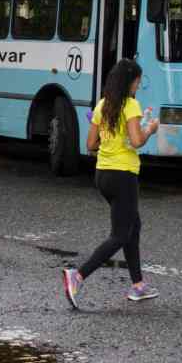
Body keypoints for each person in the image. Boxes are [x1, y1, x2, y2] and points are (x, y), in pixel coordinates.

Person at [63, 58, 159, 308]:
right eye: (137, 82)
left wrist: (112, 140)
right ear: (129, 82)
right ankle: (78, 275)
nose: (138, 86)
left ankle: (138, 285)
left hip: (102, 174)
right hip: (123, 175)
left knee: (133, 226)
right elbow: (137, 141)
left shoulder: (102, 105)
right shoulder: (131, 105)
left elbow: (90, 144)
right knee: (119, 235)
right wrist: (151, 129)